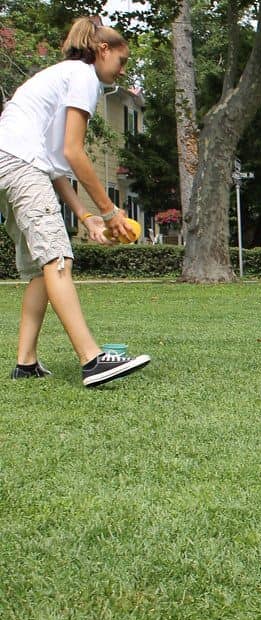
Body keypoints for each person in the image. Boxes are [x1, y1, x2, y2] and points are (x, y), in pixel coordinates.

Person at [0, 17, 150, 387]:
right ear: (103, 50)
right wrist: (110, 210)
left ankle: (26, 362)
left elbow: (56, 165)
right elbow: (74, 151)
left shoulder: (63, 76)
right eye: (121, 60)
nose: (121, 70)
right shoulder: (83, 77)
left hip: (12, 163)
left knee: (41, 267)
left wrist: (85, 215)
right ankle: (92, 359)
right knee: (58, 257)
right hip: (17, 164)